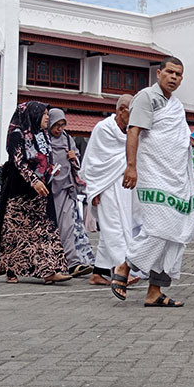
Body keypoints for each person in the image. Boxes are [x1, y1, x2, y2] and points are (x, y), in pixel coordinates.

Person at [122, 56, 194, 307]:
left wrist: (189, 140)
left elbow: (174, 140)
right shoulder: (146, 97)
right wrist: (131, 167)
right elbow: (134, 131)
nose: (174, 77)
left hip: (175, 176)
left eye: (178, 74)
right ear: (159, 73)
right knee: (159, 228)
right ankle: (125, 266)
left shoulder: (176, 105)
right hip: (154, 173)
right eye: (170, 72)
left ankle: (155, 291)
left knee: (173, 234)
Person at [0, 102, 71, 284]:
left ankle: (50, 271)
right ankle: (11, 269)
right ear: (34, 115)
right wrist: (34, 180)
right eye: (44, 114)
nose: (47, 117)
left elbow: (45, 158)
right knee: (15, 232)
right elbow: (18, 162)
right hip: (19, 190)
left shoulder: (43, 134)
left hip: (42, 191)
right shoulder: (18, 134)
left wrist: (51, 170)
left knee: (46, 230)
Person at [80, 94, 136, 289]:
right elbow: (93, 162)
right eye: (132, 112)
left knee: (115, 227)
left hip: (123, 186)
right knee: (113, 226)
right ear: (121, 110)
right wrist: (94, 190)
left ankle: (98, 273)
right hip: (104, 186)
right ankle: (122, 269)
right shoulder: (103, 128)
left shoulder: (130, 132)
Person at [47, 108, 95, 277]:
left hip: (66, 188)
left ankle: (73, 262)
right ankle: (53, 263)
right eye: (56, 125)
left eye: (62, 125)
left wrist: (73, 157)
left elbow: (77, 164)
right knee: (51, 228)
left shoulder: (67, 139)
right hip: (48, 191)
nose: (59, 129)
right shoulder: (43, 140)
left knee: (67, 226)